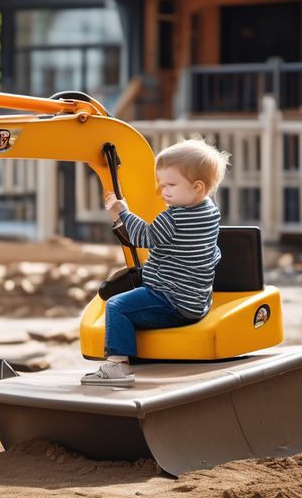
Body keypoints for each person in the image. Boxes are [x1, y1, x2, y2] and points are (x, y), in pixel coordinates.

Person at [82, 138, 229, 387]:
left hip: (170, 300)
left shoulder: (172, 218)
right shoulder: (211, 213)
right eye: (161, 184)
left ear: (198, 188)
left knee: (116, 305)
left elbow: (143, 238)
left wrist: (123, 212)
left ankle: (117, 366)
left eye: (171, 184)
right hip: (198, 301)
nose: (163, 191)